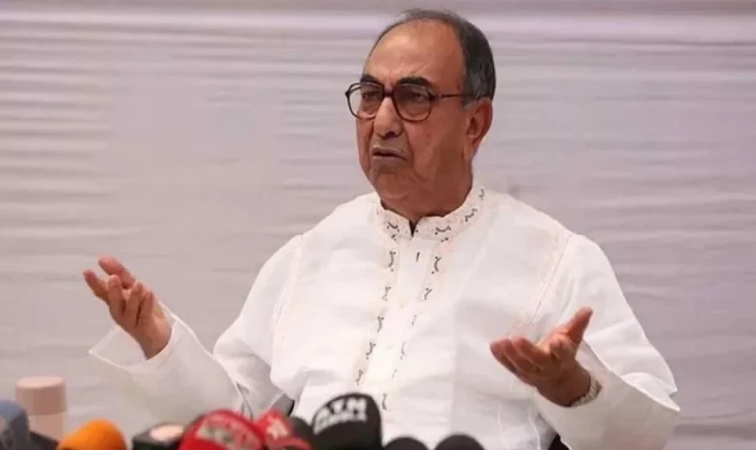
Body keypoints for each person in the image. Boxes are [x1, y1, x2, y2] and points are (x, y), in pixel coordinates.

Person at [84, 9, 679, 450]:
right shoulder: (311, 253)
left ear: (475, 123)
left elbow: (646, 435)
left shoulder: (557, 260)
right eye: (371, 96)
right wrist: (160, 342)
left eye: (413, 97)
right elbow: (233, 422)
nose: (384, 122)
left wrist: (574, 386)